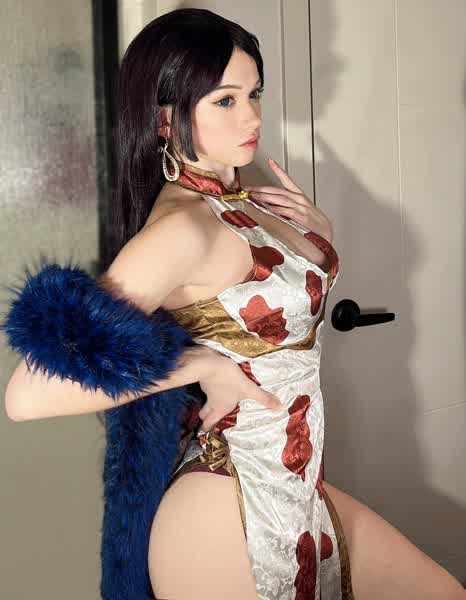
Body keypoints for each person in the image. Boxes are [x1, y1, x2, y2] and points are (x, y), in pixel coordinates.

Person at [4, 7, 465, 600]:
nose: (251, 116)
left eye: (254, 93)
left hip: (297, 482)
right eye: (225, 100)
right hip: (224, 502)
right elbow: (28, 394)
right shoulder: (181, 230)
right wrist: (197, 364)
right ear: (165, 118)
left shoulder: (242, 202)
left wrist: (317, 239)